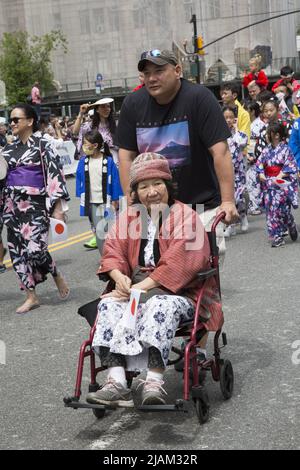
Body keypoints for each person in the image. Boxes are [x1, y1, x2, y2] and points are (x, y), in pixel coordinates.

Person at [86, 153, 223, 407]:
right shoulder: (129, 217)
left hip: (180, 294)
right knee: (106, 305)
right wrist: (119, 279)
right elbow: (113, 251)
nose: (151, 192)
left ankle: (154, 381)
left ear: (168, 185)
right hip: (134, 291)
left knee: (160, 304)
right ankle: (116, 382)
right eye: (143, 186)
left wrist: (141, 288)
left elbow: (182, 261)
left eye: (157, 183)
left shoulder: (186, 216)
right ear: (136, 192)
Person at [116, 49, 238, 242]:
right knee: (156, 268)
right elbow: (125, 157)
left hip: (200, 206)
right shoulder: (132, 104)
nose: (152, 78)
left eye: (159, 71)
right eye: (147, 73)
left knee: (199, 267)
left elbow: (220, 152)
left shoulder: (200, 98)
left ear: (178, 70)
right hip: (153, 209)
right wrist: (131, 203)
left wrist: (228, 201)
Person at [0, 104, 70, 314]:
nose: (11, 123)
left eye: (15, 119)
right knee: (17, 252)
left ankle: (56, 274)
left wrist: (57, 209)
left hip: (35, 204)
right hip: (11, 204)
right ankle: (31, 296)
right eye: (10, 120)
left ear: (29, 121)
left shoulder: (43, 145)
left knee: (36, 249)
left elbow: (54, 175)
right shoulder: (7, 150)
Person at [73, 98, 118, 250]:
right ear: (97, 109)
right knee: (93, 203)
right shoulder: (89, 126)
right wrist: (81, 114)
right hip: (94, 166)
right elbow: (75, 133)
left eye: (108, 106)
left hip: (113, 165)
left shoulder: (115, 125)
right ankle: (99, 237)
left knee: (113, 205)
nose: (107, 109)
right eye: (103, 107)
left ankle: (114, 239)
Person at [76, 129, 123, 254]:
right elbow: (79, 179)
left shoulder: (108, 161)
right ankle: (105, 258)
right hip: (92, 202)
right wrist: (81, 196)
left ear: (95, 145)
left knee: (112, 229)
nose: (83, 146)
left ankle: (117, 255)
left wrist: (115, 199)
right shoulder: (83, 162)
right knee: (99, 231)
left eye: (85, 143)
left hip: (107, 201)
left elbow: (115, 181)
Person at [256, 122, 298, 248]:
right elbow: (259, 163)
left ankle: (290, 224)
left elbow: (291, 165)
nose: (266, 136)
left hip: (281, 184)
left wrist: (280, 175)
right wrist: (260, 172)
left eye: (269, 133)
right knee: (271, 211)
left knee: (283, 211)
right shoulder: (266, 150)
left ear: (277, 135)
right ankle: (276, 236)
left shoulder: (285, 149)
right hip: (269, 184)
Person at [222, 106, 249, 237]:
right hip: (225, 171)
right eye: (225, 117)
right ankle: (231, 225)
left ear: (235, 118)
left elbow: (242, 142)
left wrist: (237, 128)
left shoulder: (239, 134)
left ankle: (243, 217)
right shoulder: (219, 133)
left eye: (230, 117)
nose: (228, 120)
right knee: (228, 198)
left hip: (238, 171)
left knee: (238, 197)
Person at [244, 102, 265, 215]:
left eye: (247, 109)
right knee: (251, 181)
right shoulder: (250, 124)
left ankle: (255, 206)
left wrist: (253, 156)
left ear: (252, 111)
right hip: (249, 155)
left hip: (256, 156)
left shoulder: (259, 125)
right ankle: (255, 205)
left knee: (253, 182)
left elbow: (258, 142)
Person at [220, 82, 251, 146]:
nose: (222, 96)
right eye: (222, 94)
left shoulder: (244, 114)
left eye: (225, 94)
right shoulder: (220, 112)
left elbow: (245, 137)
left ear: (234, 95)